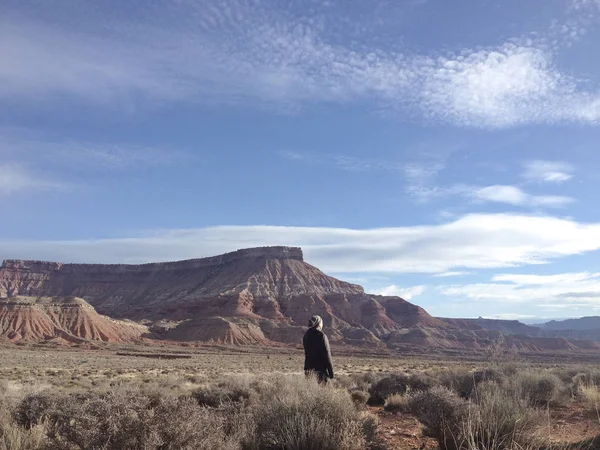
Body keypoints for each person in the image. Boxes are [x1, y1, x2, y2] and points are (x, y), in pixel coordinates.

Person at [303, 315, 334, 384]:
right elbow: (327, 355)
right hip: (320, 371)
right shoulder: (321, 336)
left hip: (308, 370)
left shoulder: (306, 335)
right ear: (319, 323)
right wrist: (331, 373)